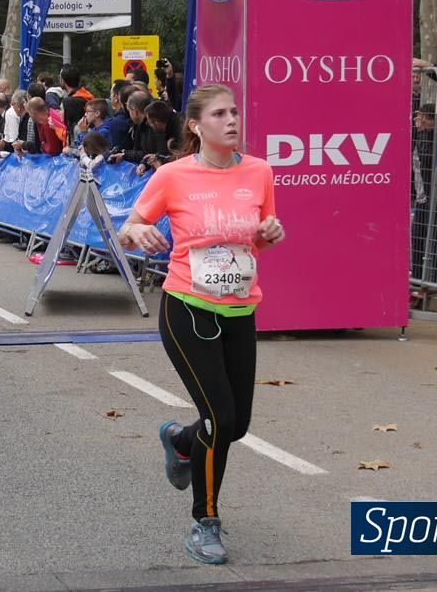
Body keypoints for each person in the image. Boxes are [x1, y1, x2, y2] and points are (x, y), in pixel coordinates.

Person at [117, 84, 284, 566]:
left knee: (239, 424)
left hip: (240, 308)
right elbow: (130, 226)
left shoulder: (259, 172)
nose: (232, 120)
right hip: (187, 306)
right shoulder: (173, 176)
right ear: (195, 126)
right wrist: (140, 231)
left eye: (234, 111)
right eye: (219, 113)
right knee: (219, 417)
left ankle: (180, 441)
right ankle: (204, 522)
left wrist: (272, 233)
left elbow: (263, 234)